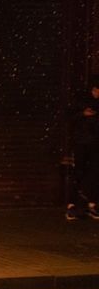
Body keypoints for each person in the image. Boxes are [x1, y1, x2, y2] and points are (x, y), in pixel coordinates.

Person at [67, 80, 99, 220]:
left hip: (91, 144)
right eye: (95, 90)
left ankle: (89, 204)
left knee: (92, 173)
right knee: (80, 172)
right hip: (83, 144)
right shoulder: (81, 103)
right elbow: (71, 118)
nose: (96, 93)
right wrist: (82, 114)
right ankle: (74, 204)